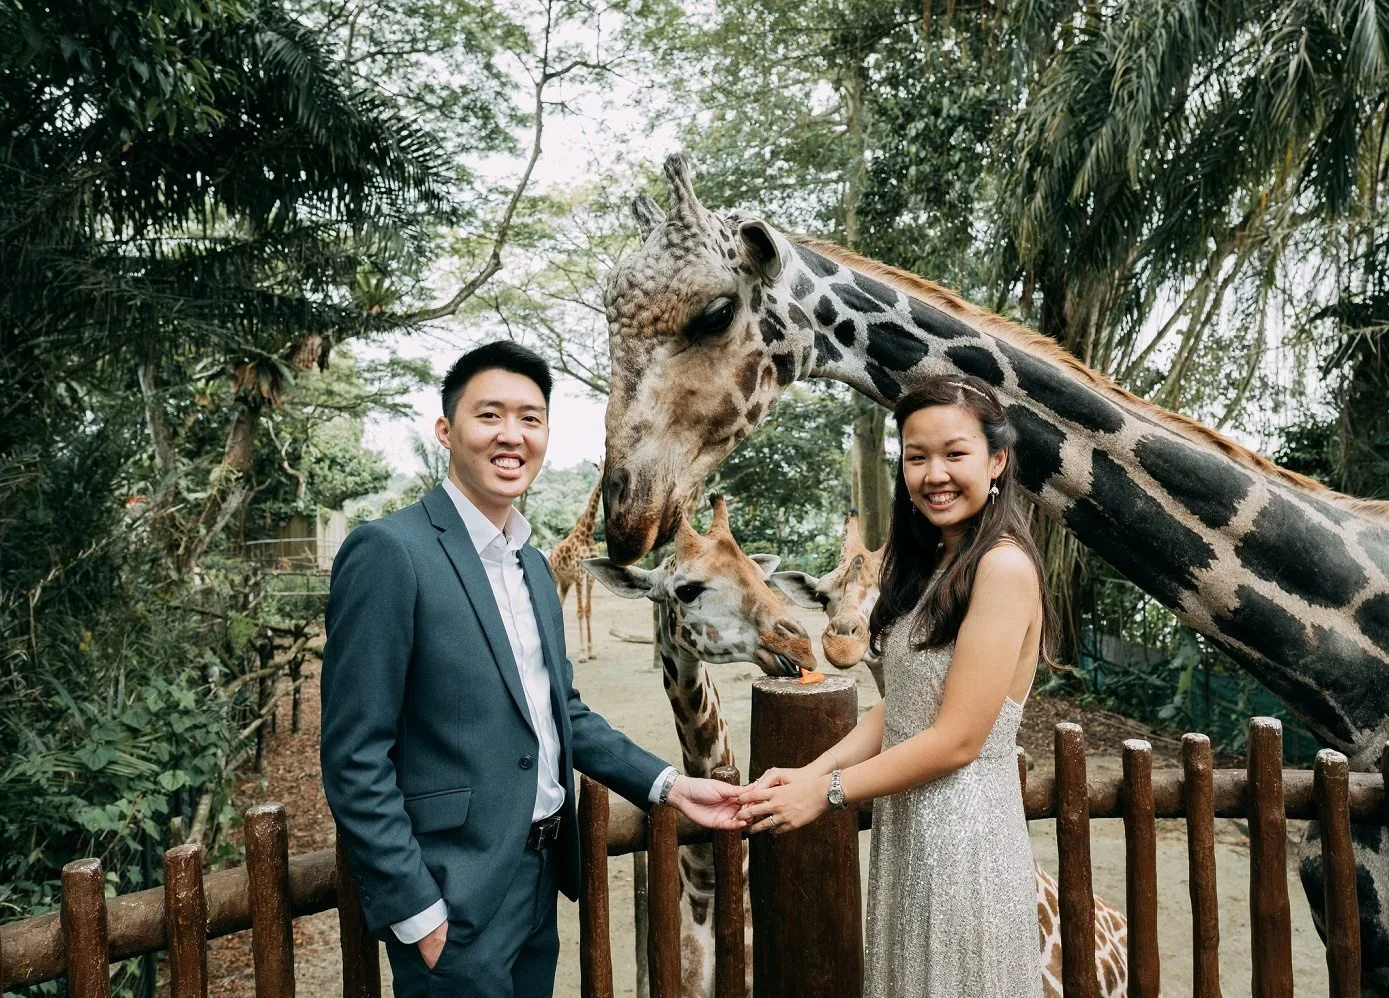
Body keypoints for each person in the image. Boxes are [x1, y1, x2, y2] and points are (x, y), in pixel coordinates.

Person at [320, 341, 745, 998]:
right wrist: (417, 910)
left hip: (540, 879)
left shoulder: (534, 569)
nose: (511, 435)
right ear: (446, 429)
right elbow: (354, 756)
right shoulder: (389, 553)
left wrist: (666, 783)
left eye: (530, 418)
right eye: (489, 415)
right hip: (453, 898)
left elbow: (561, 709)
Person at [736, 374, 1055, 996]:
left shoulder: (1004, 567)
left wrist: (824, 793)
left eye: (954, 453)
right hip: (911, 832)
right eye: (916, 456)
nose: (934, 473)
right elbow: (900, 707)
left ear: (997, 460)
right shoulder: (935, 563)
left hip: (966, 839)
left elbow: (958, 739)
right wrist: (809, 772)